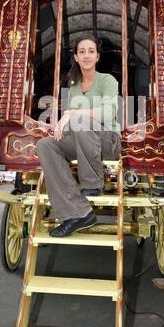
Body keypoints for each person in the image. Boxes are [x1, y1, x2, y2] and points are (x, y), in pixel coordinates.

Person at [36, 36, 121, 238]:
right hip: (82, 141)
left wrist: (72, 114)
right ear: (75, 56)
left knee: (78, 120)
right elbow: (72, 126)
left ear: (98, 56)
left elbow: (109, 113)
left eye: (91, 51)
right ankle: (77, 213)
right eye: (81, 51)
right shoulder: (73, 88)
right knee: (46, 145)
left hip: (108, 141)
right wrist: (53, 127)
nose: (86, 55)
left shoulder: (107, 80)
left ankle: (93, 183)